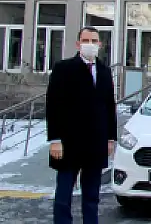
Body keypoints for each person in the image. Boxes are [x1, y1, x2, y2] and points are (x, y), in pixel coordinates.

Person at [46, 26, 118, 224]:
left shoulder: (104, 70)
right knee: (64, 194)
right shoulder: (63, 68)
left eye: (94, 41)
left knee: (92, 195)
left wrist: (111, 138)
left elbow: (109, 106)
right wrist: (54, 139)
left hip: (96, 143)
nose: (90, 45)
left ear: (100, 45)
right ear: (78, 44)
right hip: (69, 142)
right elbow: (54, 105)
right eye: (86, 41)